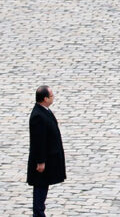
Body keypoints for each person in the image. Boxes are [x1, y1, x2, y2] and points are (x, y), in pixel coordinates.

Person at [28, 85, 65, 217]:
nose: (53, 98)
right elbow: (38, 141)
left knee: (43, 186)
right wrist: (40, 162)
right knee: (40, 187)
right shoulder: (38, 116)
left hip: (48, 158)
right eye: (51, 96)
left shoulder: (45, 111)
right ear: (45, 98)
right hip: (42, 161)